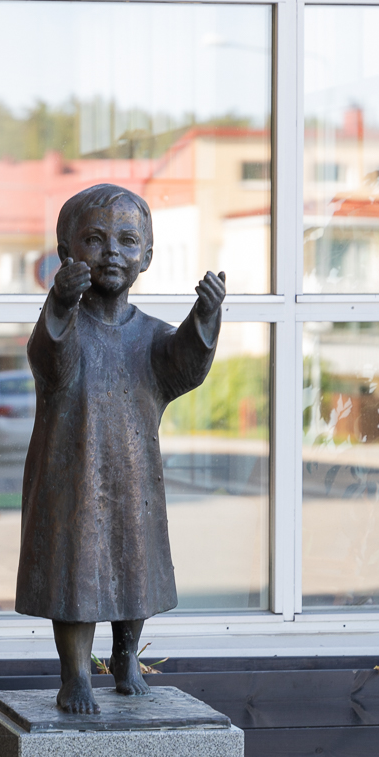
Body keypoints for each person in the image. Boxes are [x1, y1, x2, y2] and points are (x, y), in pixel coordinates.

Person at [15, 183, 225, 713]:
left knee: (135, 566)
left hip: (133, 478)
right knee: (75, 572)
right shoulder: (63, 328)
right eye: (94, 239)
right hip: (73, 478)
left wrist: (205, 318)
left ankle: (127, 655)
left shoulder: (152, 337)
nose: (112, 253)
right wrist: (60, 300)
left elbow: (185, 367)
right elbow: (48, 356)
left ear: (148, 257)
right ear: (66, 253)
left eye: (128, 241)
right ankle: (75, 675)